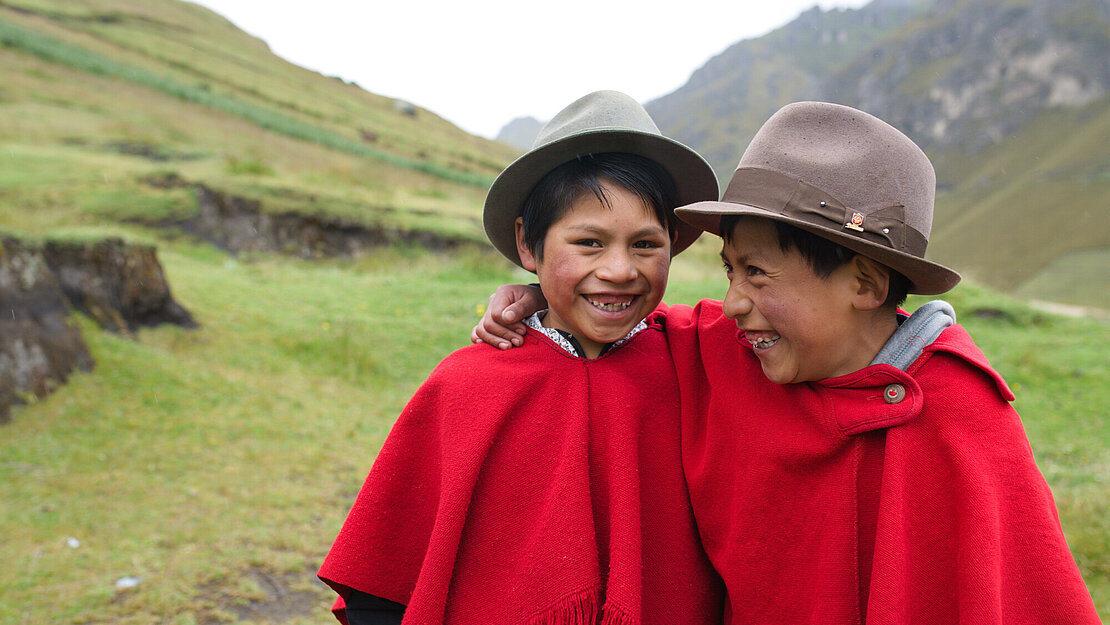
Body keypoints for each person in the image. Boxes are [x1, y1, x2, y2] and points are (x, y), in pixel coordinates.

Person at [473, 101, 1102, 623]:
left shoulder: (964, 421)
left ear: (863, 284)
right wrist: (538, 298)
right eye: (729, 270)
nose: (733, 303)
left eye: (758, 274)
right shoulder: (730, 353)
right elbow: (625, 324)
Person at [318, 90, 724, 625]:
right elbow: (386, 581)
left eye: (646, 245)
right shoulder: (467, 383)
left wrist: (547, 290)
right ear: (528, 245)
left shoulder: (693, 366)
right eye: (589, 242)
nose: (622, 270)